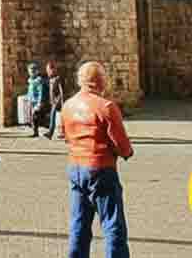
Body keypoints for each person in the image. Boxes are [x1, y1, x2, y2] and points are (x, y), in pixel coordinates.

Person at [60, 61, 134, 258]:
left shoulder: (68, 106)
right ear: (101, 82)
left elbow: (65, 135)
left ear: (80, 81)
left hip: (76, 166)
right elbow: (122, 144)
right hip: (100, 167)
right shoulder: (106, 107)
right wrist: (126, 153)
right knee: (112, 225)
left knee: (79, 224)